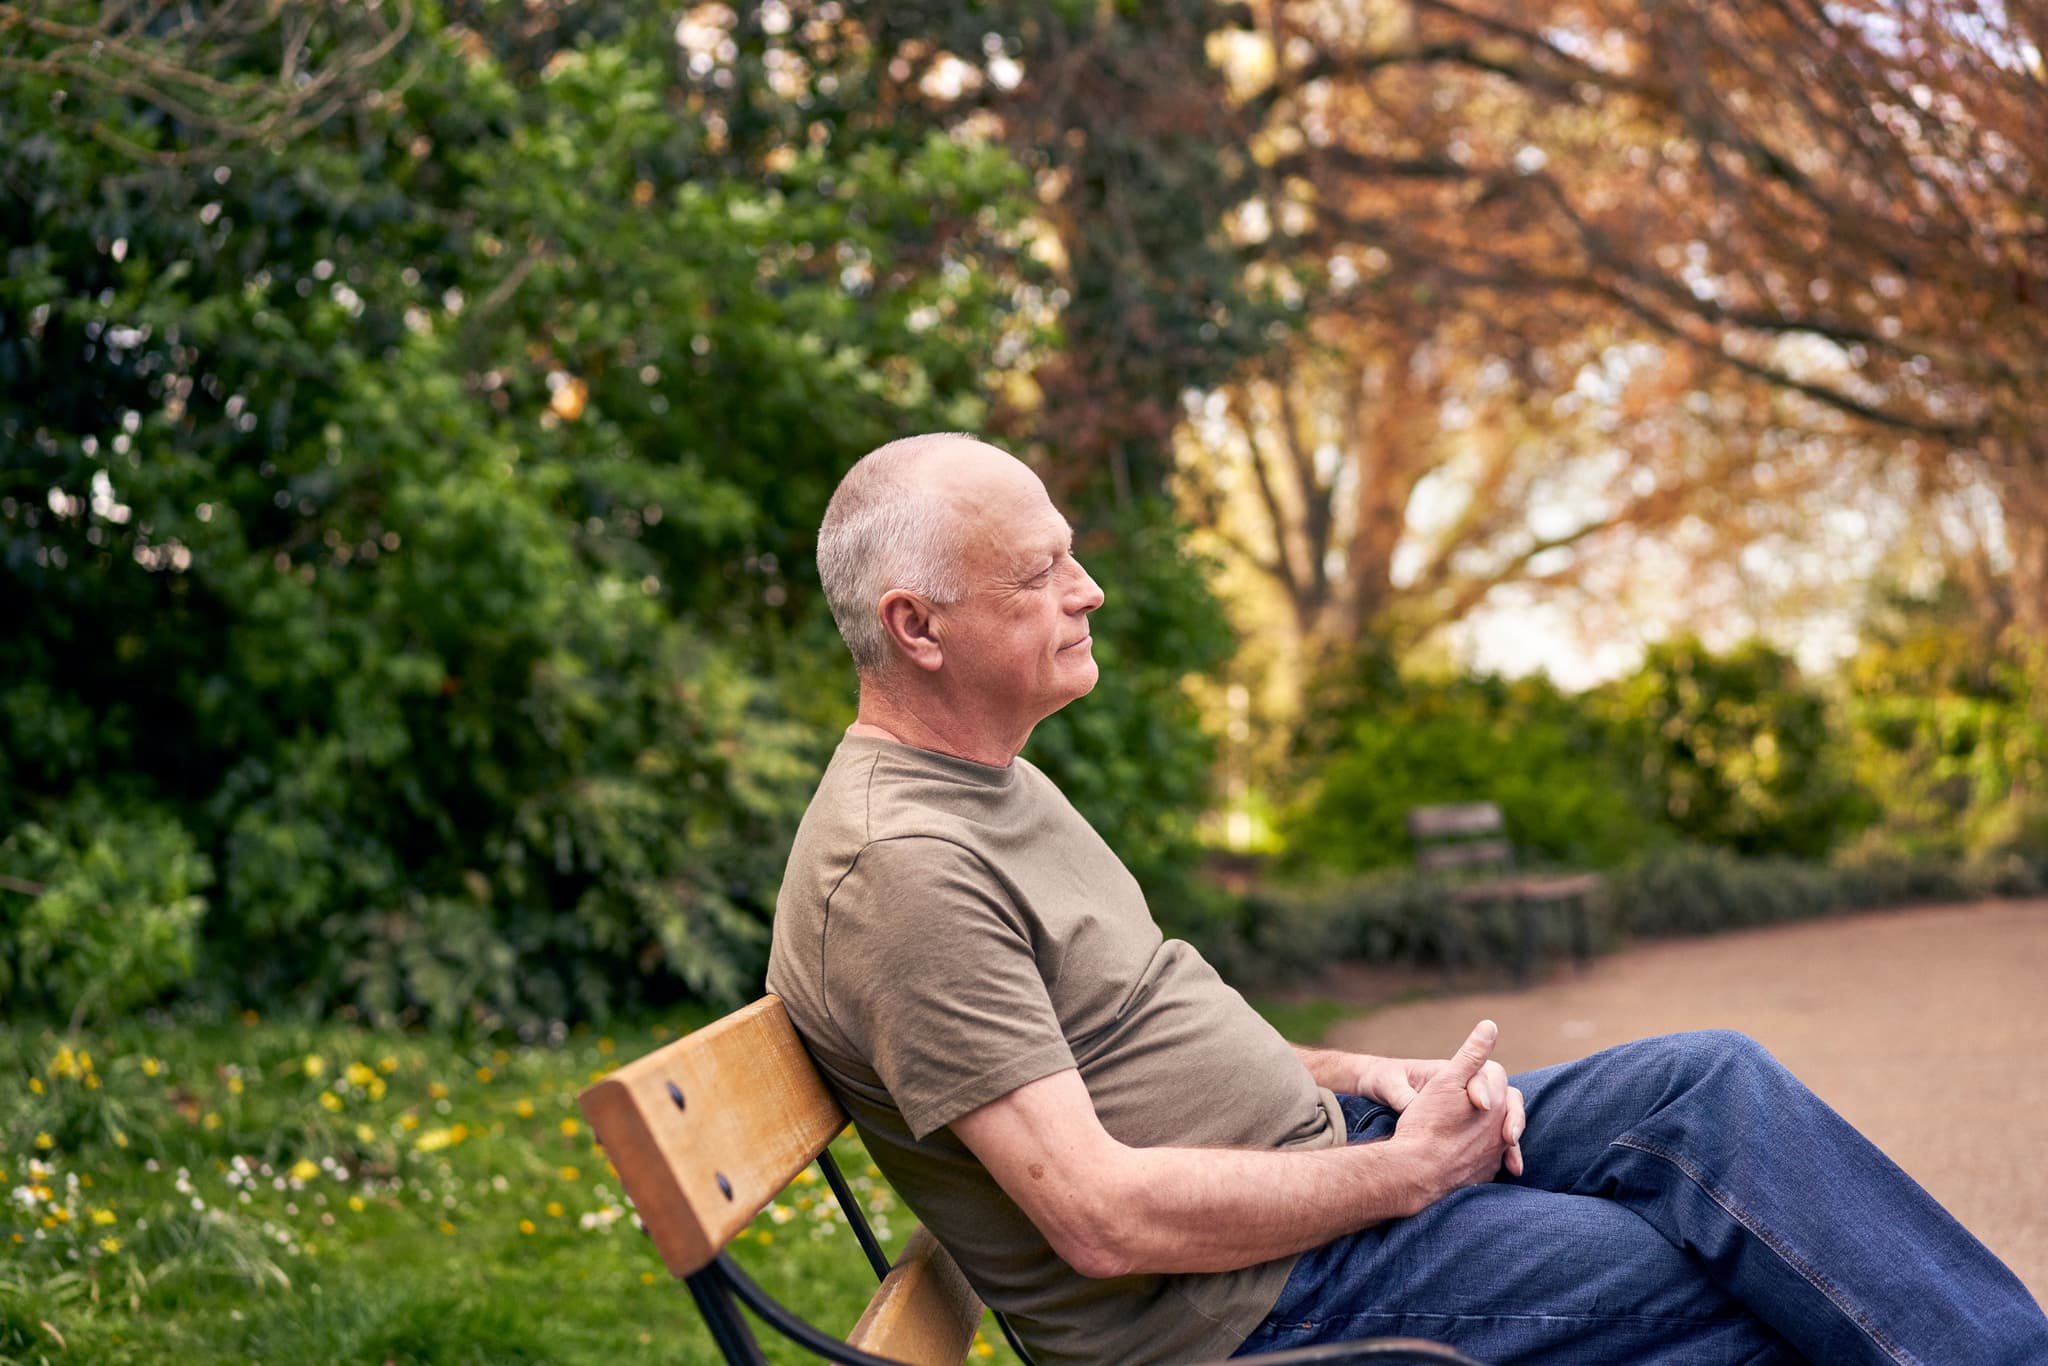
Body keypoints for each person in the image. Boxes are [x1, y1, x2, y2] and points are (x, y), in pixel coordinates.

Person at [765, 433, 2047, 1366]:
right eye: (1037, 575)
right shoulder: (904, 871)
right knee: (1715, 1286)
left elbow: (1117, 1040)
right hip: (1248, 1308)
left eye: (1071, 557)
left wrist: (1358, 1070)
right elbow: (1099, 1219)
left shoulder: (993, 785)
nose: (1086, 589)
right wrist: (1402, 1177)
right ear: (916, 628)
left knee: (1705, 1084)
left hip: (1314, 1171)